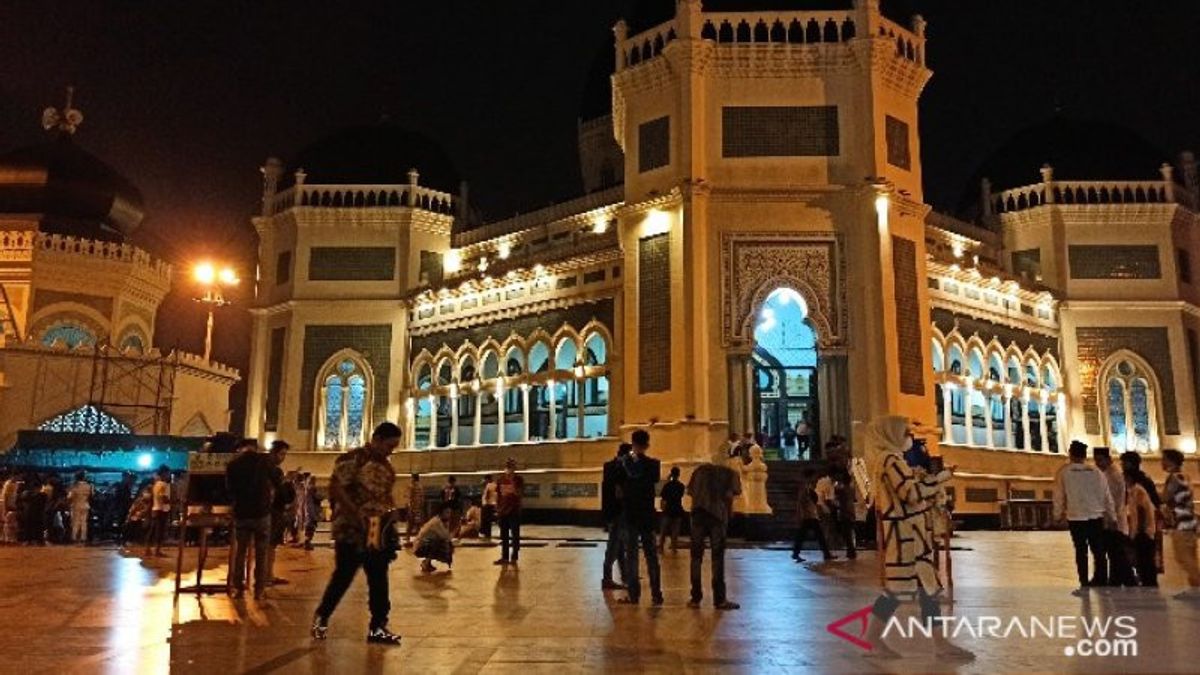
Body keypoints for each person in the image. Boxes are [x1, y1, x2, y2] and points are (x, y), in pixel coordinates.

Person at [860, 415, 972, 661]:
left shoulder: (886, 460)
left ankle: (938, 643)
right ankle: (875, 640)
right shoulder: (891, 460)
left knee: (922, 591)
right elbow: (910, 493)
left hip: (907, 538)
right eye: (905, 433)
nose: (909, 438)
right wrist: (940, 480)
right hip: (906, 539)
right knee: (902, 591)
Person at [312, 422, 404, 645]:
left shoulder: (386, 467)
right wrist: (355, 513)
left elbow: (385, 495)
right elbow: (336, 487)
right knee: (344, 575)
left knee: (378, 576)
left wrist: (390, 515)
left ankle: (378, 625)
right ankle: (322, 617)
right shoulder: (353, 459)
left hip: (377, 530)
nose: (390, 451)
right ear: (377, 439)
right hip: (351, 529)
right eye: (389, 445)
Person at [1053, 440, 1115, 593]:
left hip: (1076, 517)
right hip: (1096, 516)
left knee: (1081, 551)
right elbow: (1107, 496)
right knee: (1098, 550)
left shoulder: (1064, 472)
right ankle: (1102, 580)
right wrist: (1112, 516)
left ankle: (1084, 582)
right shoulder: (1096, 472)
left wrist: (1057, 514)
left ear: (1070, 453)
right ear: (1085, 455)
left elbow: (1059, 495)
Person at [687, 450, 742, 610]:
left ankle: (695, 598)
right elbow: (731, 495)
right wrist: (729, 512)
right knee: (717, 558)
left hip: (697, 515)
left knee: (696, 557)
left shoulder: (698, 472)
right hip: (717, 516)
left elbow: (690, 492)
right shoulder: (729, 473)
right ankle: (719, 599)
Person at [225, 438, 275, 599]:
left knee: (240, 552)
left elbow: (229, 490)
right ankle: (259, 589)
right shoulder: (264, 461)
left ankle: (238, 587)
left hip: (242, 513)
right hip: (261, 513)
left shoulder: (233, 465)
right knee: (261, 553)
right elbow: (276, 481)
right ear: (255, 447)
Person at [617, 430, 662, 605]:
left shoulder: (625, 463)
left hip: (631, 514)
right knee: (651, 556)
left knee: (632, 556)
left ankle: (634, 594)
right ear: (648, 444)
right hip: (648, 515)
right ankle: (656, 593)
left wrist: (631, 458)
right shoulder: (654, 465)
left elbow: (623, 483)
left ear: (633, 443)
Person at [1160, 449, 1199, 599]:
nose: (1161, 463)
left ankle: (1197, 587)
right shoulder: (1186, 476)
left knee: (1183, 557)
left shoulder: (1174, 478)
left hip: (1182, 524)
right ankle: (1194, 588)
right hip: (1190, 522)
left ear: (1170, 461)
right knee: (1190, 556)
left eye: (1163, 459)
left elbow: (1165, 497)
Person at [1093, 447, 1133, 586]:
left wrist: (1110, 518)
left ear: (1108, 459)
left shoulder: (1112, 475)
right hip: (1114, 518)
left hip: (1113, 520)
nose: (1097, 463)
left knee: (1116, 552)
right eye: (1096, 460)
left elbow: (1110, 500)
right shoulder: (1109, 473)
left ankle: (1127, 580)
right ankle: (1117, 579)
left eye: (1100, 460)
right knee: (1114, 552)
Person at [601, 443, 630, 590]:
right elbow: (619, 491)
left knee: (619, 546)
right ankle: (607, 578)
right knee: (614, 545)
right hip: (619, 511)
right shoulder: (621, 468)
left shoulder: (608, 466)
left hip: (610, 511)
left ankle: (625, 574)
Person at [266, 440, 293, 586]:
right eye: (282, 454)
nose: (283, 457)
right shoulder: (274, 471)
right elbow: (282, 493)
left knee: (270, 545)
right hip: (273, 511)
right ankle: (266, 576)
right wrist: (287, 482)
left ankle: (268, 575)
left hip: (268, 510)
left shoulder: (265, 468)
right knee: (269, 545)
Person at [1125, 467, 1158, 587]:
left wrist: (1139, 530)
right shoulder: (1133, 490)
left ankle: (1149, 581)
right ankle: (1146, 580)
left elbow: (1141, 510)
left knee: (1145, 558)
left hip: (1143, 530)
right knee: (1142, 557)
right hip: (1140, 529)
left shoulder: (1137, 490)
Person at [793, 468, 831, 562]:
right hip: (808, 515)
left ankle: (796, 553)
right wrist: (801, 513)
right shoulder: (805, 487)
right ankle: (826, 554)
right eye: (814, 476)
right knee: (818, 535)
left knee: (802, 535)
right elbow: (801, 501)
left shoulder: (808, 486)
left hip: (810, 514)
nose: (815, 478)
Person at [494, 458, 525, 565]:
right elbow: (498, 495)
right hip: (503, 511)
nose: (509, 469)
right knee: (504, 535)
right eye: (507, 467)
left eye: (511, 467)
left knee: (515, 534)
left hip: (514, 511)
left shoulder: (519, 479)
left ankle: (515, 555)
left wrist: (512, 484)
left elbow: (520, 494)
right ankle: (504, 556)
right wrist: (497, 509)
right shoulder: (500, 480)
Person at [143, 466, 172, 558]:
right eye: (168, 473)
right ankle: (157, 551)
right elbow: (163, 498)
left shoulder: (156, 484)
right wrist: (173, 501)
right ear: (163, 473)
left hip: (155, 509)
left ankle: (148, 549)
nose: (169, 475)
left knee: (153, 530)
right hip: (161, 510)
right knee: (159, 532)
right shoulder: (163, 484)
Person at [416, 506, 455, 573]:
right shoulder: (436, 522)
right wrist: (455, 530)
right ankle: (426, 563)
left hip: (424, 544)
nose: (449, 515)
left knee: (442, 544)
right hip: (419, 547)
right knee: (437, 542)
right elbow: (446, 537)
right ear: (441, 513)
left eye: (450, 513)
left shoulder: (440, 521)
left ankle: (427, 562)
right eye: (447, 513)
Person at [658, 466, 685, 553]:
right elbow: (680, 496)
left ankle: (661, 547)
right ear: (679, 474)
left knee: (663, 531)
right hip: (677, 509)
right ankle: (674, 548)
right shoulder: (681, 486)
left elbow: (663, 498)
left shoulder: (667, 485)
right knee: (675, 531)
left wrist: (662, 508)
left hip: (668, 509)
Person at [67, 471, 93, 545]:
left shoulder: (74, 486)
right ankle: (83, 537)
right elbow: (91, 496)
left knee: (76, 521)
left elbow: (70, 496)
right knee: (84, 522)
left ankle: (74, 537)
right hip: (85, 505)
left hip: (76, 505)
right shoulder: (89, 486)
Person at [296, 473, 321, 550]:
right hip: (311, 510)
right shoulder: (311, 488)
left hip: (308, 510)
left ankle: (306, 541)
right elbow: (318, 497)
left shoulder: (307, 489)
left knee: (309, 526)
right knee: (311, 526)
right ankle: (307, 542)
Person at [405, 473, 424, 546]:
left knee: (410, 524)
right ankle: (418, 539)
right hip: (418, 509)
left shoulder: (411, 486)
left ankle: (408, 539)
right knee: (418, 525)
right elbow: (422, 499)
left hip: (412, 508)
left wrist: (409, 507)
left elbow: (409, 498)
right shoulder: (420, 487)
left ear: (413, 478)